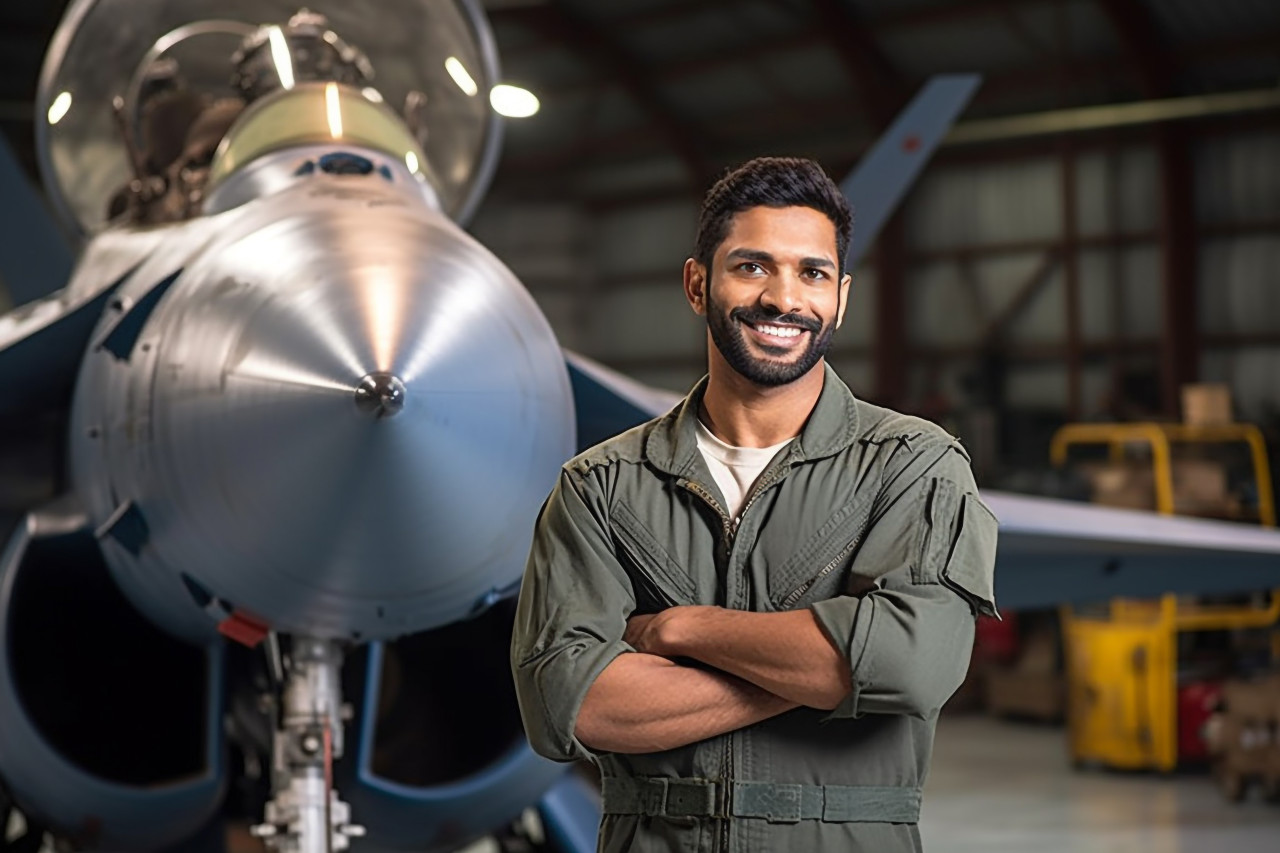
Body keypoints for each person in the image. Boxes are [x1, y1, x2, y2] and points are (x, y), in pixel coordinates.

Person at [511, 156, 998, 853]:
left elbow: (915, 664)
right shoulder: (603, 486)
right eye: (752, 266)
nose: (783, 298)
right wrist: (832, 670)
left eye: (812, 272)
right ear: (696, 283)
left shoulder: (912, 464)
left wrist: (682, 631)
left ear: (841, 296)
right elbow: (569, 701)